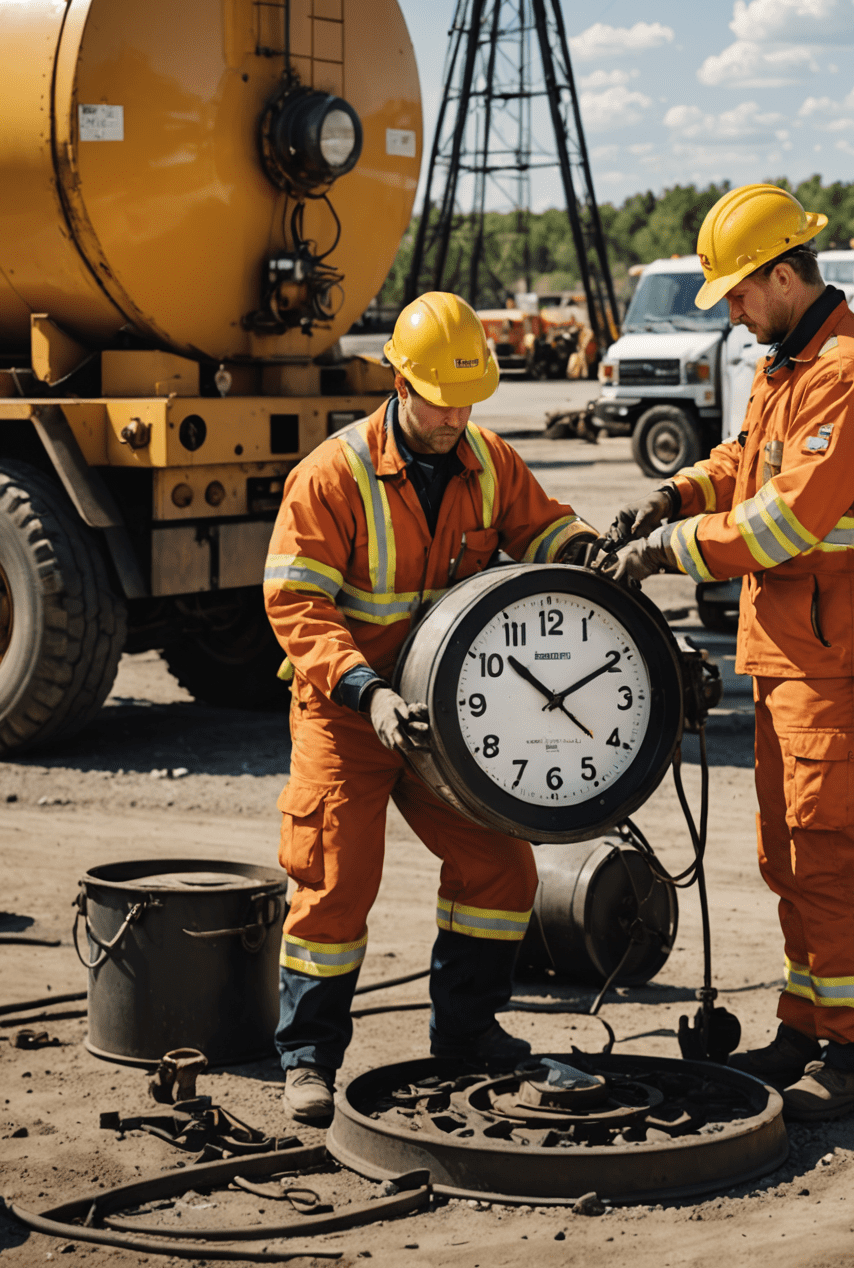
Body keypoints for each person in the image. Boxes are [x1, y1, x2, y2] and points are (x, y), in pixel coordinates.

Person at [603, 183, 854, 1121]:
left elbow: (785, 525)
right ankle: (807, 1021)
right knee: (787, 853)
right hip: (790, 650)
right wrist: (670, 495)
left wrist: (666, 550)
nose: (732, 313)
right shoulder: (792, 362)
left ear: (786, 274)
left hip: (833, 648)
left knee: (828, 849)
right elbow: (746, 463)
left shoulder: (849, 374)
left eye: (739, 293)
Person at [263, 291, 599, 1124]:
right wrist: (365, 692)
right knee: (336, 880)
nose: (454, 416)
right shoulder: (332, 476)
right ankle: (308, 1060)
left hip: (445, 720)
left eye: (467, 400)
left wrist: (594, 552)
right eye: (440, 399)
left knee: (501, 869)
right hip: (348, 712)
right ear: (399, 382)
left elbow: (543, 531)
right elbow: (297, 604)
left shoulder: (489, 463)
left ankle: (467, 1031)